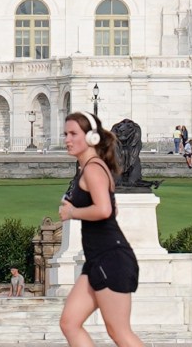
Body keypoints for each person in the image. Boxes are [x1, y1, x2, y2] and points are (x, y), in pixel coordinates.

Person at [57, 111, 147, 347]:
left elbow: (105, 210)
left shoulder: (93, 169)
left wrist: (72, 212)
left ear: (92, 138)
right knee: (69, 322)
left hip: (111, 258)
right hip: (97, 259)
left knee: (119, 332)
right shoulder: (90, 168)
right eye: (66, 134)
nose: (67, 139)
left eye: (73, 134)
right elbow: (111, 210)